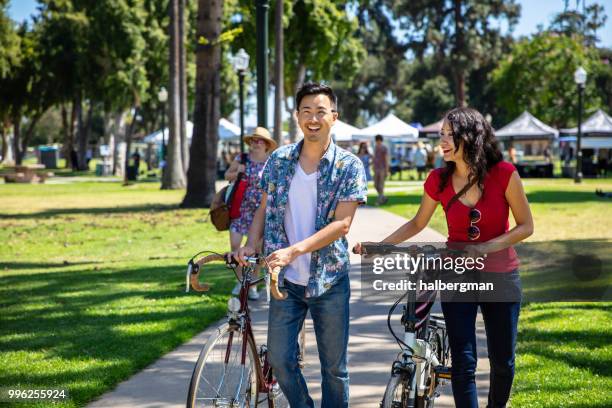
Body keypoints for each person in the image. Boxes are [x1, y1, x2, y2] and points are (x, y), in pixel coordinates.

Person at [354, 107, 534, 408]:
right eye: (442, 135)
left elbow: (526, 226)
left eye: (451, 135)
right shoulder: (438, 179)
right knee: (463, 363)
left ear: (471, 136)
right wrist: (380, 246)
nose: (444, 141)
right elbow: (417, 222)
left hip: (501, 276)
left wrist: (486, 248)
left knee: (503, 361)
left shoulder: (503, 174)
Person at [234, 82, 367, 408]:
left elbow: (342, 224)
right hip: (285, 282)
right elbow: (263, 209)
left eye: (320, 111)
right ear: (297, 116)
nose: (313, 118)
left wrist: (295, 250)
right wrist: (251, 243)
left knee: (334, 369)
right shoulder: (278, 161)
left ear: (333, 117)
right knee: (279, 359)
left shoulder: (349, 166)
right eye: (306, 111)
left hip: (330, 281)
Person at [225, 127, 277, 300]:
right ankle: (240, 281)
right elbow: (227, 175)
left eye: (260, 140)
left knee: (256, 250)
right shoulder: (242, 158)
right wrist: (237, 171)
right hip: (240, 209)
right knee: (235, 246)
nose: (256, 143)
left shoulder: (271, 161)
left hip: (261, 210)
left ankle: (253, 283)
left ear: (267, 145)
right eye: (253, 140)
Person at [373, 134, 389, 205]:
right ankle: (383, 197)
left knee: (381, 185)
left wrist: (387, 170)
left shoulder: (384, 148)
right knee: (376, 185)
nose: (377, 142)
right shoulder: (375, 147)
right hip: (376, 168)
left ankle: (379, 201)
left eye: (378, 140)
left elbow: (386, 159)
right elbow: (375, 157)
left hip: (382, 168)